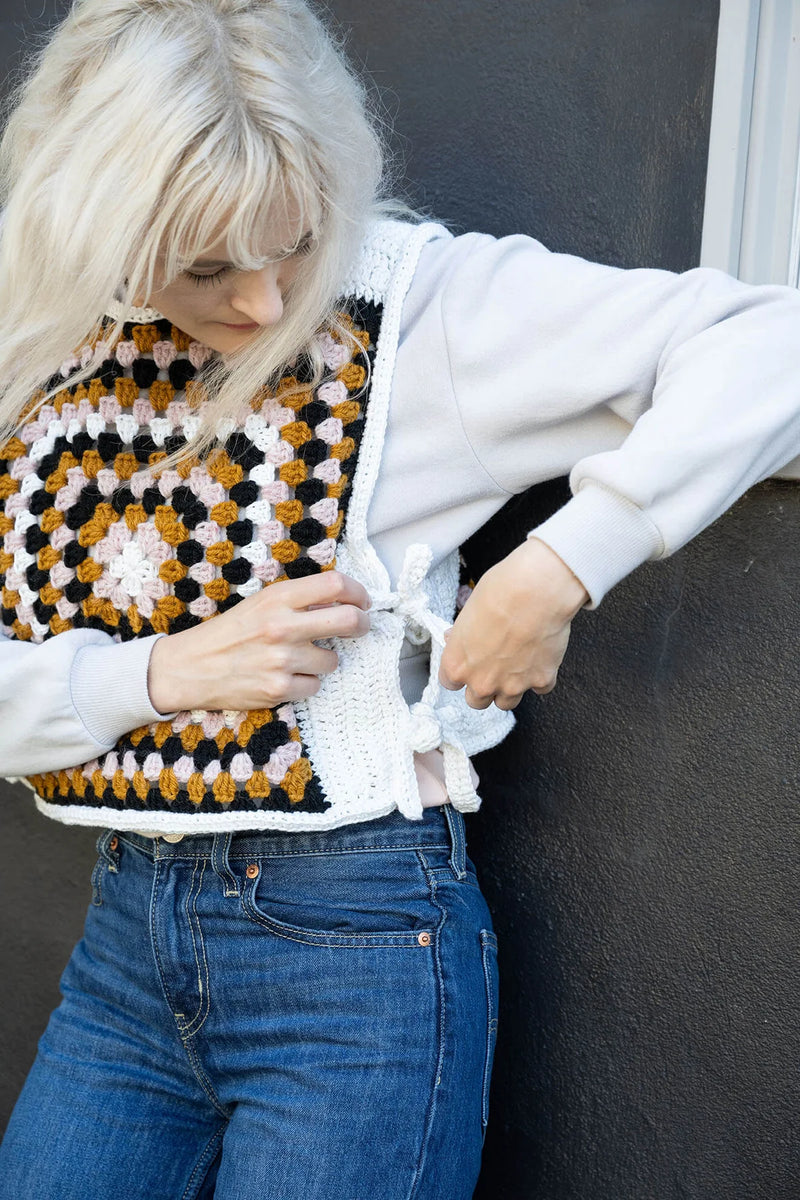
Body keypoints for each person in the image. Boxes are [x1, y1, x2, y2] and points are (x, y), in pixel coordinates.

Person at [0, 1, 799, 1196]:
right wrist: (162, 675)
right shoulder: (34, 341)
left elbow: (768, 342)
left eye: (297, 238)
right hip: (122, 950)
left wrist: (561, 563)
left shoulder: (416, 309)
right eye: (205, 264)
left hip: (353, 953)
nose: (267, 304)